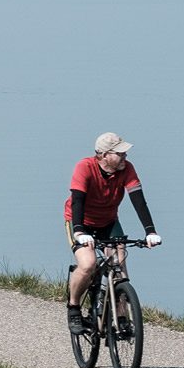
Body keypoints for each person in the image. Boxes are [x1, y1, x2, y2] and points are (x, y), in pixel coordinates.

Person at [65, 132, 162, 333]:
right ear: (103, 155)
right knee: (88, 264)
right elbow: (77, 201)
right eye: (120, 154)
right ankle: (74, 308)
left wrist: (150, 231)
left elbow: (138, 200)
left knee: (119, 265)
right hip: (80, 222)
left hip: (108, 222)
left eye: (125, 153)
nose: (125, 157)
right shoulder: (85, 167)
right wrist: (79, 231)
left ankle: (122, 316)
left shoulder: (127, 169)